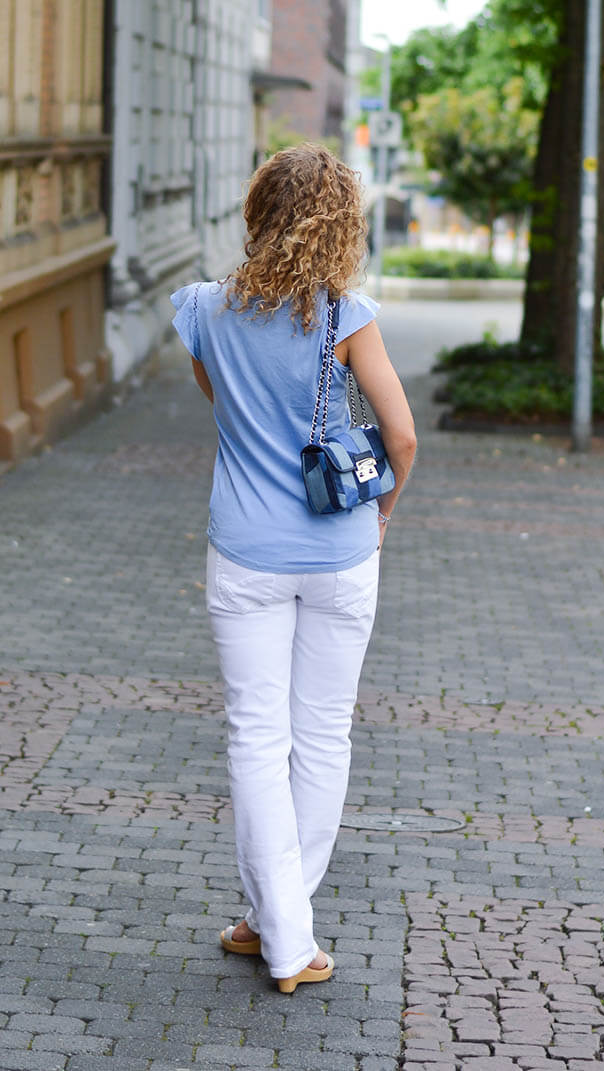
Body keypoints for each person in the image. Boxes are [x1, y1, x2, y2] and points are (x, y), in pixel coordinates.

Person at [170, 143, 416, 994]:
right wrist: (381, 512)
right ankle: (286, 933)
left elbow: (225, 407)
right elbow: (404, 436)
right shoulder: (348, 315)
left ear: (258, 210)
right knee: (322, 736)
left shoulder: (203, 310)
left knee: (255, 735)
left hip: (245, 550)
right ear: (341, 220)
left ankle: (273, 926)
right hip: (342, 550)